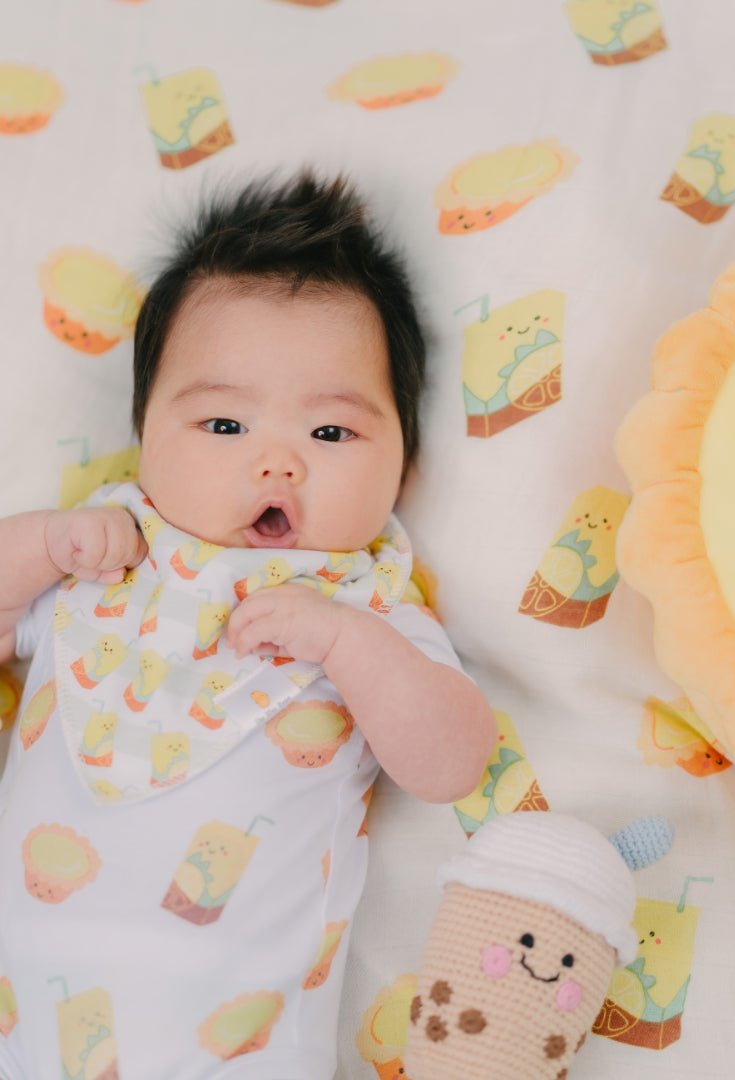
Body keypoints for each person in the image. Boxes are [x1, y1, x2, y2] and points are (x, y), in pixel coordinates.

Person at [0, 171, 496, 1078]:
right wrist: (40, 546)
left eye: (332, 435)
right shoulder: (105, 555)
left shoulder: (370, 605)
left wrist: (347, 647)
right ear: (145, 429)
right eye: (224, 422)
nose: (277, 464)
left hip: (233, 1042)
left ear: (405, 461)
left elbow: (453, 760)